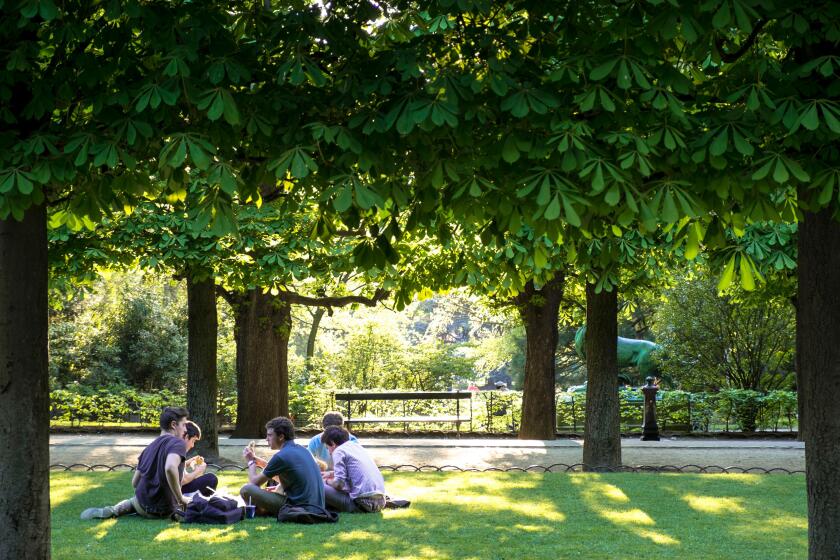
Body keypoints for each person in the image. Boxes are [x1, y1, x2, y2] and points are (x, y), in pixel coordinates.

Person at [81, 406, 191, 520]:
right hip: (165, 509)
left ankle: (116, 509)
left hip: (141, 505)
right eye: (183, 425)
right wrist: (180, 499)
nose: (185, 430)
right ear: (173, 425)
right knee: (194, 497)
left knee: (134, 501)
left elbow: (135, 482)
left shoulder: (148, 449)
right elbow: (170, 467)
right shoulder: (178, 443)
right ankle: (177, 512)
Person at [240, 416, 324, 516]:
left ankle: (259, 512)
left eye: (270, 435)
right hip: (317, 507)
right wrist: (258, 461)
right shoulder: (303, 450)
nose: (267, 439)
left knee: (246, 489)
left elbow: (254, 483)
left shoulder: (281, 456)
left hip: (298, 507)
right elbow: (291, 478)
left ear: (281, 436)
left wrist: (251, 462)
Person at [321, 426, 386, 513]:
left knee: (317, 484)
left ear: (332, 443)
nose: (329, 452)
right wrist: (330, 474)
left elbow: (339, 484)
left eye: (327, 447)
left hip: (361, 504)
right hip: (380, 502)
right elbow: (353, 471)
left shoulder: (339, 451)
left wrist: (325, 481)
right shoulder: (357, 447)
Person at [180, 421, 218, 496]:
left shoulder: (171, 446)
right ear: (187, 437)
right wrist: (198, 471)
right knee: (211, 479)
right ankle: (202, 502)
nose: (192, 445)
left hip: (172, 488)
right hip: (177, 490)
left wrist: (188, 462)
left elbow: (177, 468)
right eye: (193, 441)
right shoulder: (178, 450)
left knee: (208, 478)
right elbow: (183, 480)